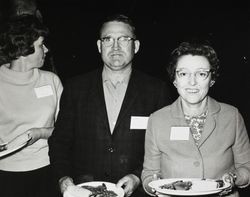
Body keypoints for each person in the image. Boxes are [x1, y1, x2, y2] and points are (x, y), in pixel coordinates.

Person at [48, 14, 172, 197]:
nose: (115, 47)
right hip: (84, 190)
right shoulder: (76, 88)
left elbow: (166, 146)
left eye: (123, 39)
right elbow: (59, 142)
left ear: (135, 46)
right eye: (108, 39)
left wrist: (138, 177)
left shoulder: (156, 90)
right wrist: (63, 178)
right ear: (99, 46)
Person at [141, 41, 250, 196]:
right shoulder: (157, 120)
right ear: (174, 79)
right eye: (184, 74)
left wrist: (233, 177)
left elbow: (247, 167)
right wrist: (157, 186)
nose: (192, 82)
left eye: (201, 74)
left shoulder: (232, 116)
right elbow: (149, 173)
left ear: (211, 79)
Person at [0, 15, 63, 197]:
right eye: (41, 45)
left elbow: (66, 129)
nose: (46, 49)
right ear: (22, 49)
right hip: (6, 174)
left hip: (48, 168)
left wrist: (41, 133)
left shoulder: (51, 80)